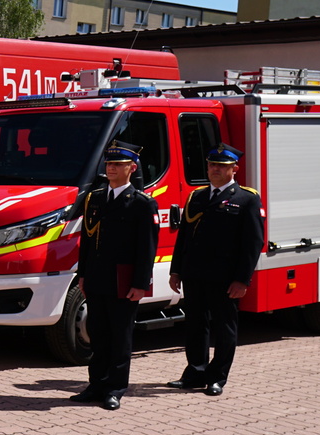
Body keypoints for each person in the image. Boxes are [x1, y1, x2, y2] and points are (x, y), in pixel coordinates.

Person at [168, 144, 264, 396]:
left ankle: (217, 377)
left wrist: (242, 279)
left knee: (224, 327)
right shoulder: (197, 196)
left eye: (222, 166)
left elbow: (253, 243)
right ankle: (195, 372)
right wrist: (176, 271)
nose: (215, 170)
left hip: (225, 278)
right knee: (195, 326)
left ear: (235, 169)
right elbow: (184, 237)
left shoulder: (246, 198)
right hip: (194, 274)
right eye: (212, 165)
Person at [71, 141, 160, 410]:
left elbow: (147, 249)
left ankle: (115, 388)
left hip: (123, 281)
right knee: (98, 334)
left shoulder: (142, 203)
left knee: (120, 337)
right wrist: (83, 275)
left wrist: (140, 284)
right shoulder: (95, 198)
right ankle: (96, 384)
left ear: (131, 168)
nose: (111, 168)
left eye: (118, 165)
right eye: (109, 164)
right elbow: (87, 241)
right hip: (97, 279)